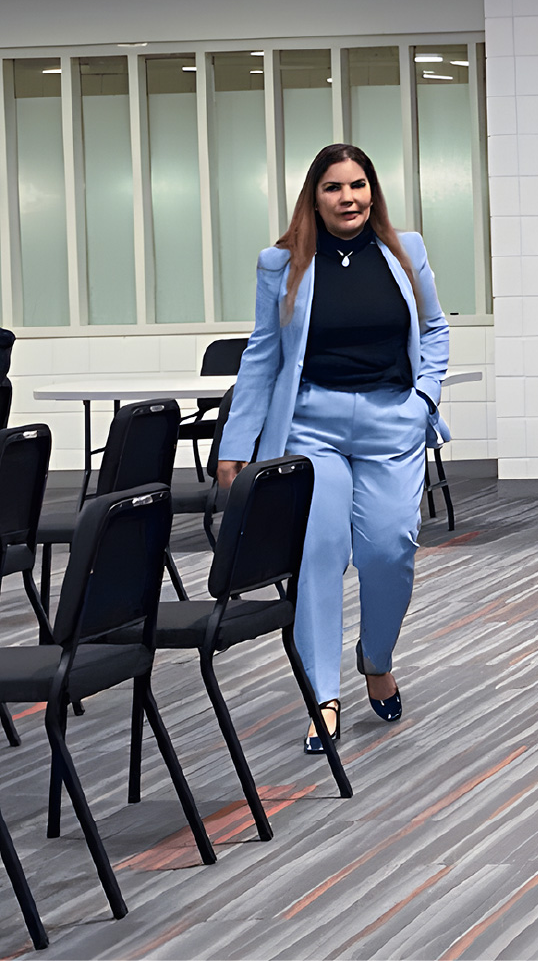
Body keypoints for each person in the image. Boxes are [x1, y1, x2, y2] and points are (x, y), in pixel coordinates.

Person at [218, 143, 450, 754]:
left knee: (391, 547)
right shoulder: (282, 262)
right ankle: (323, 695)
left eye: (358, 186)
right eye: (333, 188)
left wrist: (424, 399)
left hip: (389, 420)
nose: (348, 198)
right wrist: (235, 444)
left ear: (372, 191)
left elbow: (433, 328)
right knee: (319, 551)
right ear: (313, 197)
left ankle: (376, 655)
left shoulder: (407, 250)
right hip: (311, 424)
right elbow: (263, 354)